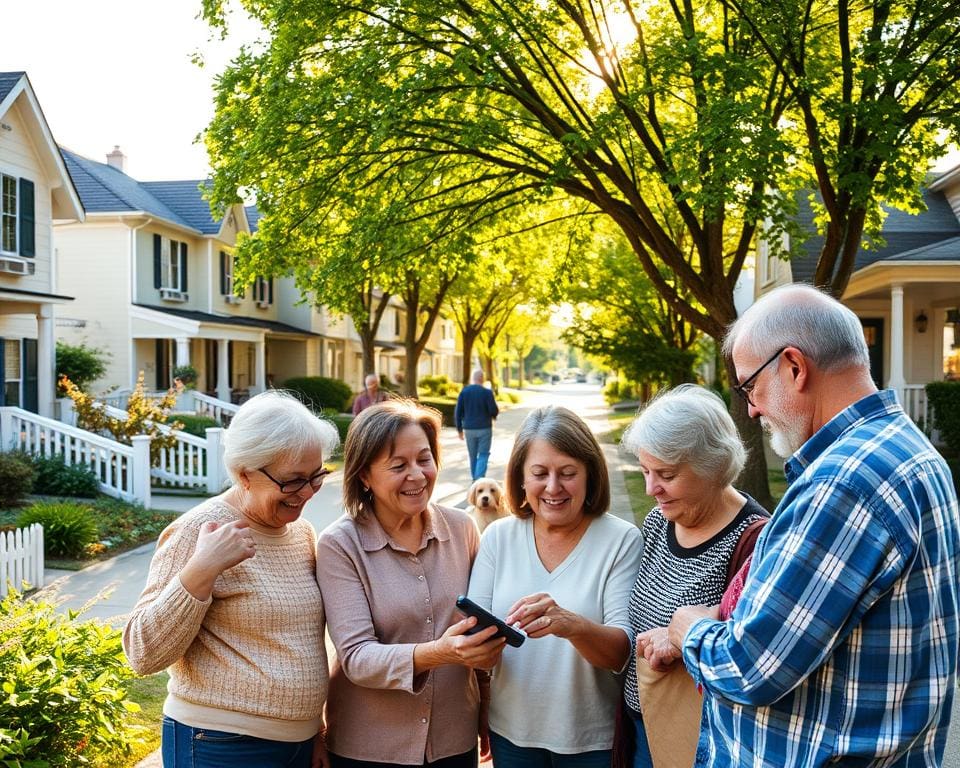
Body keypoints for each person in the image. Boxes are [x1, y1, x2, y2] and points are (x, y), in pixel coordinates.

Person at [667, 283, 959, 766]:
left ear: (795, 367)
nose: (752, 408)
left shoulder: (842, 483)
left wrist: (688, 628)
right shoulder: (911, 450)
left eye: (749, 387)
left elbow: (752, 666)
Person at [123, 390, 340, 768]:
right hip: (221, 745)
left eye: (316, 476)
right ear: (245, 473)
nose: (306, 493)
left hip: (297, 745)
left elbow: (301, 642)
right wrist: (203, 568)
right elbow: (142, 653)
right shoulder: (197, 530)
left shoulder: (301, 532)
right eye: (292, 481)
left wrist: (315, 730)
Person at [316, 399, 505, 767]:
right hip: (367, 748)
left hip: (454, 740)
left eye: (424, 459)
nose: (417, 475)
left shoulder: (462, 528)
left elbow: (481, 626)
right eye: (398, 465)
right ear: (365, 476)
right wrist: (442, 652)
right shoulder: (340, 545)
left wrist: (486, 705)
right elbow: (357, 658)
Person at [467, 406, 643, 767]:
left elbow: (621, 654)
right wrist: (476, 660)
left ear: (590, 475)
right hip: (510, 734)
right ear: (520, 479)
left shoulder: (620, 539)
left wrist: (572, 625)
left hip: (592, 741)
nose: (553, 487)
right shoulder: (498, 537)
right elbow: (478, 646)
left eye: (567, 473)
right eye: (539, 474)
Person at [619, 385, 768, 768]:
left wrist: (680, 634)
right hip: (643, 720)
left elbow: (757, 633)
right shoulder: (658, 522)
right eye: (646, 471)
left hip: (704, 739)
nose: (652, 488)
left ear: (713, 466)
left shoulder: (755, 539)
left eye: (666, 474)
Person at [454, 369, 499, 481]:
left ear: (473, 378)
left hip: (469, 429)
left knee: (473, 455)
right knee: (483, 454)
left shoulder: (464, 392)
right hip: (485, 428)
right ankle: (478, 478)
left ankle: (475, 478)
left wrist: (459, 429)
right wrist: (493, 415)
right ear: (482, 378)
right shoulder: (487, 393)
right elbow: (494, 410)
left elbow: (458, 412)